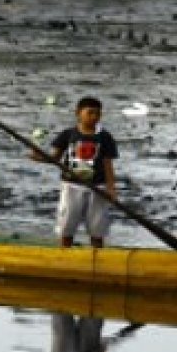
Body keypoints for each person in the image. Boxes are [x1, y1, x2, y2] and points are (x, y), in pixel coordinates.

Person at [32, 97, 119, 248]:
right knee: (67, 224)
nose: (94, 117)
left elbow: (108, 165)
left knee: (97, 227)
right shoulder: (68, 134)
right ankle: (64, 254)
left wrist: (111, 188)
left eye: (98, 114)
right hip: (71, 186)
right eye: (90, 113)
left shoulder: (105, 137)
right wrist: (39, 157)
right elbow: (55, 158)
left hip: (97, 187)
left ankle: (97, 257)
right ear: (78, 113)